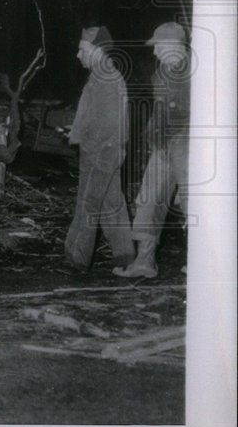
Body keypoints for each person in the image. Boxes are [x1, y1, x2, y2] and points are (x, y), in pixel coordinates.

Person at [114, 22, 190, 278]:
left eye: (158, 46)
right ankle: (145, 261)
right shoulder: (161, 74)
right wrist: (151, 135)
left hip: (188, 144)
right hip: (163, 146)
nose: (155, 51)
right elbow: (159, 112)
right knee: (148, 200)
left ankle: (203, 259)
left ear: (174, 46)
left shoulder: (199, 72)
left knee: (195, 202)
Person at [64, 26, 135, 271]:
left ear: (96, 50)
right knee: (112, 204)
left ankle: (76, 260)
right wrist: (77, 132)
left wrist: (92, 145)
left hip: (103, 151)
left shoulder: (106, 78)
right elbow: (96, 117)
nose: (78, 55)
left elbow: (109, 123)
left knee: (88, 203)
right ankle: (125, 256)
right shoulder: (100, 76)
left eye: (82, 50)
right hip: (104, 149)